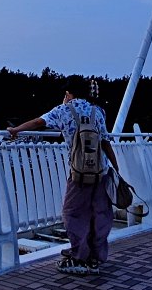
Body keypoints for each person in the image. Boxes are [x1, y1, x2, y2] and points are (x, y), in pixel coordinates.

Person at [8, 76, 121, 275]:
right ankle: (96, 256)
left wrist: (16, 130)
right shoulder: (98, 112)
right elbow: (105, 141)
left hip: (79, 172)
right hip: (100, 171)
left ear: (68, 93)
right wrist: (116, 167)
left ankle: (79, 257)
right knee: (99, 213)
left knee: (73, 213)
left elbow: (38, 122)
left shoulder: (64, 110)